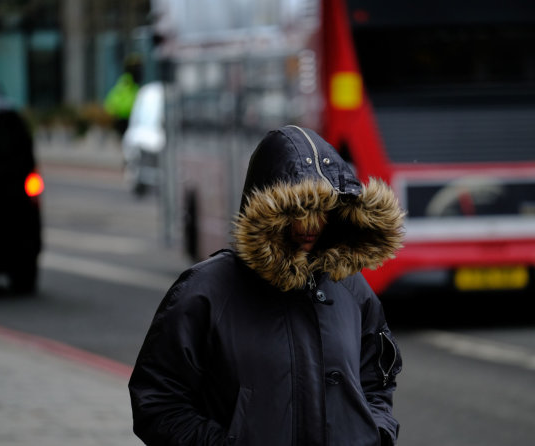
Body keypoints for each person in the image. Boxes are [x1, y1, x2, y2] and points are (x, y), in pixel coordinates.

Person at [128, 125, 405, 445]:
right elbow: (158, 402)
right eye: (297, 211)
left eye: (323, 210)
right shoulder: (206, 292)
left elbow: (377, 383)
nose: (309, 226)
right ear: (264, 211)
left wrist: (375, 435)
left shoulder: (353, 291)